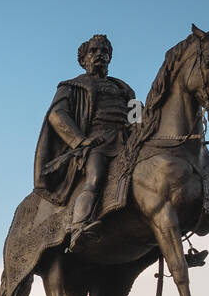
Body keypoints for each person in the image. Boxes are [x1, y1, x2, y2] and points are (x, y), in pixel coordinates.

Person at [34, 34, 137, 252]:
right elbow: (57, 115)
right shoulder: (71, 86)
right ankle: (79, 226)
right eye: (94, 51)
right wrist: (80, 141)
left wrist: (140, 128)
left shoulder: (125, 89)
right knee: (96, 177)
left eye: (104, 51)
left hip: (127, 142)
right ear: (84, 59)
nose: (99, 54)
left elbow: (138, 115)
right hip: (96, 143)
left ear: (110, 58)